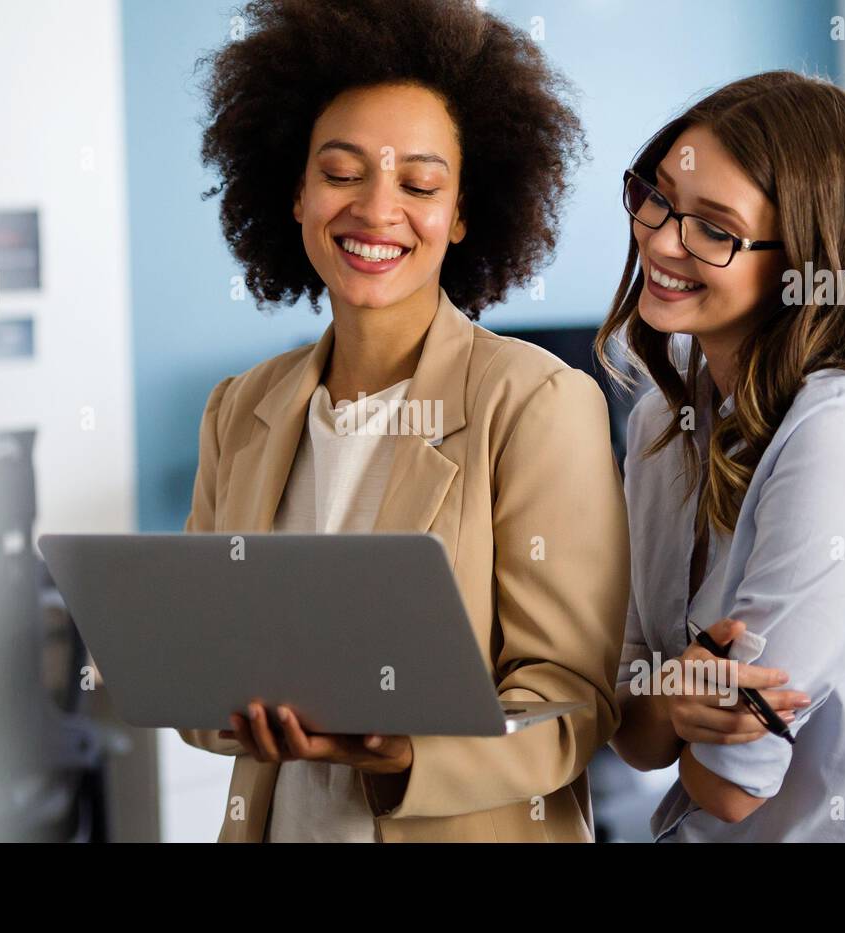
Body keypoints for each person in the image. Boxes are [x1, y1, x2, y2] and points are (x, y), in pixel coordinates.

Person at [178, 0, 629, 843]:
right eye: (342, 173)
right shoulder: (239, 410)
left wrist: (402, 749)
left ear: (461, 212)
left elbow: (574, 703)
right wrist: (234, 710)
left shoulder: (535, 404)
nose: (378, 210)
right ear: (296, 193)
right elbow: (205, 685)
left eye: (419, 183)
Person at [601, 71, 845, 841]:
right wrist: (672, 704)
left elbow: (729, 783)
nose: (661, 239)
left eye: (714, 228)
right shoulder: (661, 426)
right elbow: (634, 734)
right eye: (657, 197)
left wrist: (670, 704)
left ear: (801, 259)